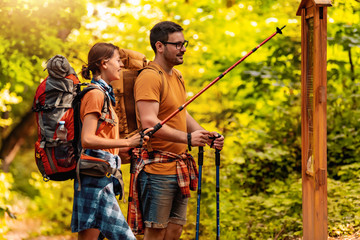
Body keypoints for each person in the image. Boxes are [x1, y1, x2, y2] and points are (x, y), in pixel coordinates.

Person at [131, 21, 224, 240]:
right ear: (160, 46)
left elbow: (181, 114)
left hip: (179, 167)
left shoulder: (177, 76)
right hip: (157, 171)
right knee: (156, 233)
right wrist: (188, 138)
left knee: (174, 232)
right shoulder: (150, 77)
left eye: (184, 43)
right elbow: (149, 123)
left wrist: (206, 136)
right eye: (177, 44)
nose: (183, 49)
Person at [71, 42, 149, 240]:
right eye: (117, 60)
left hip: (99, 178)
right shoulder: (96, 94)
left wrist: (120, 152)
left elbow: (101, 138)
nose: (121, 65)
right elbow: (87, 139)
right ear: (104, 63)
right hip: (96, 181)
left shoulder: (104, 94)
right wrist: (128, 143)